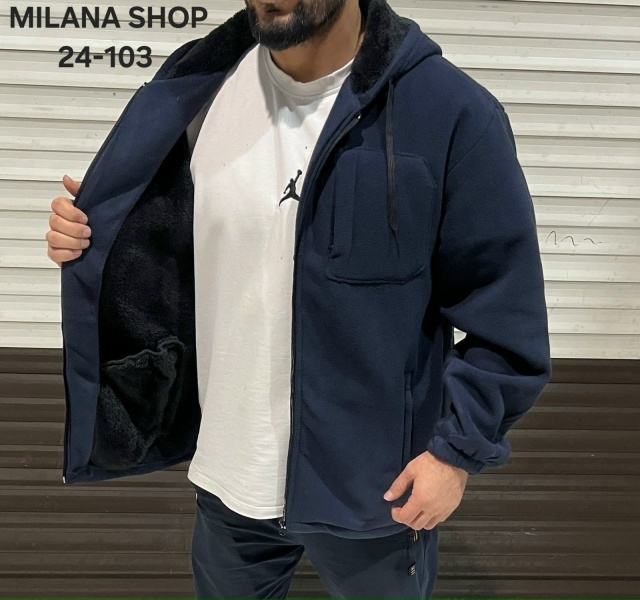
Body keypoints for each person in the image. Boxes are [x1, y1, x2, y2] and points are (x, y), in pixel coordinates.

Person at [46, 0, 552, 598]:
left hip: (378, 494)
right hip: (228, 480)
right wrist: (92, 240)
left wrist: (455, 453)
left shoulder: (451, 113)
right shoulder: (197, 87)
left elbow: (506, 316)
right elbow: (165, 250)